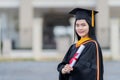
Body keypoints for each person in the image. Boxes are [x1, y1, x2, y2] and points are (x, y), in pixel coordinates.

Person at [57, 8, 104, 80]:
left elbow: (88, 69)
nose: (80, 28)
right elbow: (63, 64)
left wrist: (71, 68)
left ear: (90, 26)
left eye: (83, 25)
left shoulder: (92, 45)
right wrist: (64, 69)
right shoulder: (73, 47)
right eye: (77, 25)